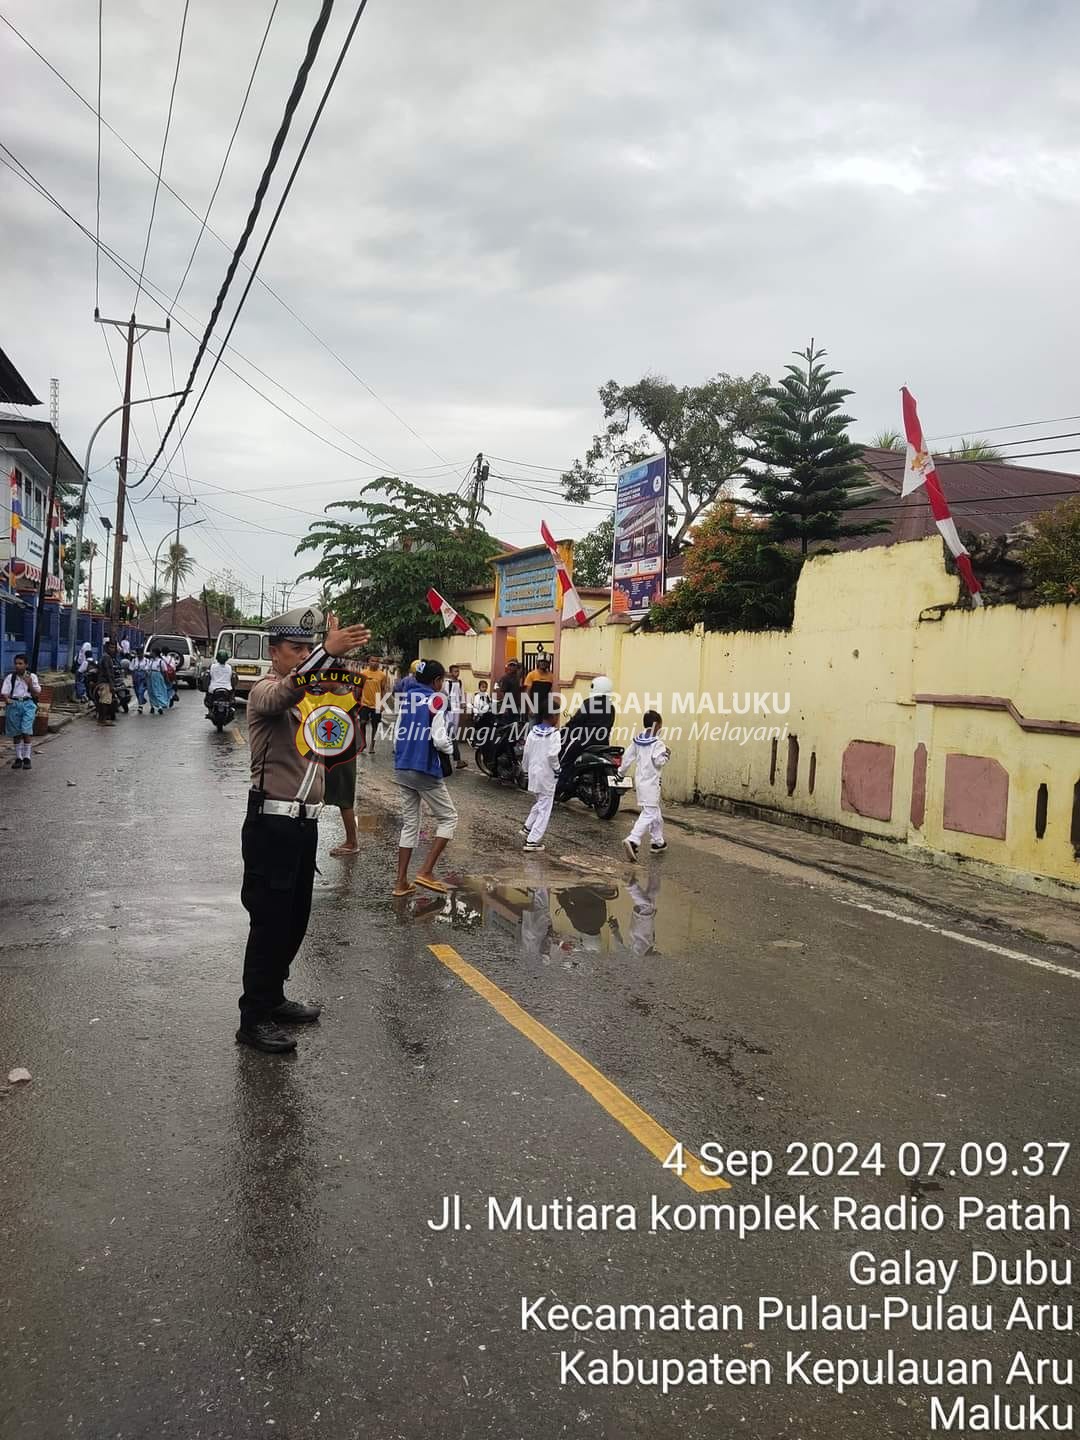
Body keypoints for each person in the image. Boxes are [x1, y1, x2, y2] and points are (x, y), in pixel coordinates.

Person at [238, 613, 371, 1054]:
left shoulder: (312, 703)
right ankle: (252, 1018)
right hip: (271, 824)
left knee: (295, 920)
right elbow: (288, 689)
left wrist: (344, 680)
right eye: (295, 649)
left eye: (306, 649)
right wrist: (326, 653)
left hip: (303, 824)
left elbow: (346, 730)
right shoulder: (265, 692)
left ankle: (273, 998)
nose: (301, 657)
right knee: (269, 923)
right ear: (274, 653)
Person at [392, 657, 457, 897]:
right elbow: (440, 740)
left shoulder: (407, 698)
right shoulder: (436, 701)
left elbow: (398, 732)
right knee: (449, 818)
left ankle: (400, 883)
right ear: (437, 681)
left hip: (402, 767)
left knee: (410, 824)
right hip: (424, 769)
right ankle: (426, 871)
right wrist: (450, 750)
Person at [619, 709, 670, 861]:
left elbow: (627, 758)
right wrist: (667, 754)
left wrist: (620, 773)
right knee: (649, 813)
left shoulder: (637, 741)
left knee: (655, 812)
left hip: (640, 783)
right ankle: (633, 839)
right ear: (656, 726)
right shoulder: (658, 744)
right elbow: (659, 762)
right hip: (652, 784)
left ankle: (658, 842)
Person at [519, 702, 561, 852]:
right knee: (545, 807)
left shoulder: (532, 732)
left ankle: (528, 827)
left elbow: (526, 753)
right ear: (553, 716)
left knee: (540, 801)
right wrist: (557, 769)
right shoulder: (555, 734)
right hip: (547, 774)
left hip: (534, 773)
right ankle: (533, 840)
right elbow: (552, 755)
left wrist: (524, 769)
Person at [560, 674, 615, 771]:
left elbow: (576, 721)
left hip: (585, 742)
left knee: (565, 761)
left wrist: (566, 729)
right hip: (604, 743)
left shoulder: (589, 704)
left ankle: (562, 785)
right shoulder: (611, 707)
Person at [2, 655, 42, 769]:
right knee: (16, 732)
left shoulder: (32, 677)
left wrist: (29, 683)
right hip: (14, 704)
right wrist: (7, 699)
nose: (17, 666)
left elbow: (36, 694)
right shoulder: (10, 677)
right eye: (16, 663)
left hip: (28, 703)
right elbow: (5, 692)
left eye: (20, 663)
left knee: (26, 729)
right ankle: (18, 757)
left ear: (26, 665)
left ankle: (27, 757)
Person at [357, 654, 389, 754]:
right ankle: (363, 743)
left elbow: (383, 690)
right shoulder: (363, 673)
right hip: (364, 703)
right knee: (362, 723)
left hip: (377, 704)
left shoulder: (382, 675)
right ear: (368, 662)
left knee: (375, 725)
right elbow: (359, 688)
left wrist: (383, 703)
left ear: (379, 663)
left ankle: (372, 746)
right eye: (372, 660)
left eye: (376, 661)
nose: (374, 663)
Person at [445, 663, 467, 769]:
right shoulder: (446, 683)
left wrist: (463, 703)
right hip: (448, 709)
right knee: (449, 731)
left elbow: (461, 694)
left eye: (458, 671)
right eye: (455, 671)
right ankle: (455, 756)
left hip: (456, 708)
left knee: (454, 730)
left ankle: (454, 754)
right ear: (450, 672)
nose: (457, 673)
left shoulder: (460, 682)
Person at [96, 641, 122, 726]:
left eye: (114, 647)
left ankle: (101, 719)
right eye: (111, 647)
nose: (113, 649)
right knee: (105, 701)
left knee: (103, 701)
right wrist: (111, 684)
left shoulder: (107, 657)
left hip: (103, 681)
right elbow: (108, 672)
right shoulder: (106, 658)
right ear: (106, 648)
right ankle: (103, 720)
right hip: (105, 682)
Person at [204, 649, 235, 713]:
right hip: (227, 689)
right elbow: (233, 679)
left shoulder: (212, 666)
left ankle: (210, 711)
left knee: (208, 701)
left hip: (213, 689)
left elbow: (208, 677)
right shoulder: (230, 667)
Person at [145, 651, 171, 715]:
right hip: (150, 676)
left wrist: (166, 679)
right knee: (150, 691)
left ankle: (160, 706)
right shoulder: (150, 661)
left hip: (157, 677)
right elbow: (147, 668)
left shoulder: (160, 661)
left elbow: (165, 671)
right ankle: (152, 706)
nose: (151, 654)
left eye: (152, 652)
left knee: (157, 691)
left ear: (155, 654)